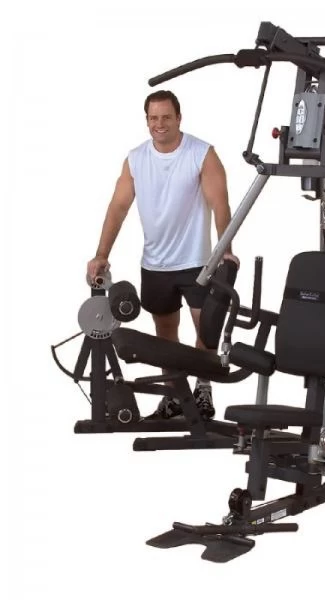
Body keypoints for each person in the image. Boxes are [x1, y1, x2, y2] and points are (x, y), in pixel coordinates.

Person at [87, 90, 238, 421]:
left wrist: (224, 250)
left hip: (198, 262)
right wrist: (101, 254)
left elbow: (220, 204)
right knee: (165, 336)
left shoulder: (201, 154)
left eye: (166, 117)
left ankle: (202, 390)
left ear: (178, 118)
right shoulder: (136, 159)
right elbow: (118, 208)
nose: (160, 124)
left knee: (206, 331)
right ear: (147, 121)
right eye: (153, 118)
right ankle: (174, 395)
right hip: (155, 264)